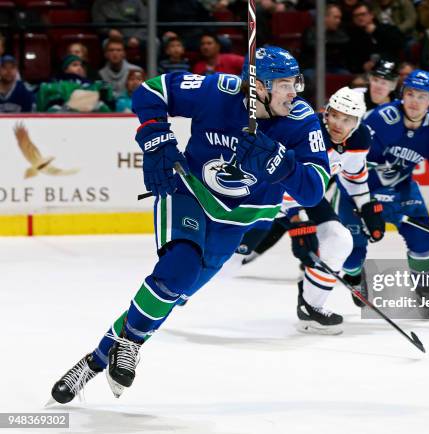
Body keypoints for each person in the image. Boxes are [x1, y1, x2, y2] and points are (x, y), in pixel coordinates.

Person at [50, 46, 330, 403]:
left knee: (168, 295)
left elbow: (314, 190)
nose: (295, 92)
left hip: (236, 222)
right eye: (285, 84)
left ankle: (93, 361)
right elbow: (151, 91)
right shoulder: (218, 91)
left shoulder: (301, 121)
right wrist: (157, 143)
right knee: (177, 271)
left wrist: (282, 164)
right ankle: (131, 344)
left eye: (296, 83)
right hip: (188, 192)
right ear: (258, 86)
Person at [231, 87, 386, 333]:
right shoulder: (306, 130)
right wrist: (296, 218)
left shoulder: (359, 138)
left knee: (339, 239)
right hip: (264, 196)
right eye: (334, 115)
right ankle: (178, 287)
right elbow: (278, 176)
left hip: (306, 196)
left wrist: (366, 206)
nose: (338, 123)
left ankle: (311, 308)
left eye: (347, 119)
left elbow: (353, 176)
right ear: (326, 112)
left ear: (357, 122)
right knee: (230, 258)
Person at [337, 70, 429, 295]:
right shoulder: (381, 119)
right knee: (351, 257)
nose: (415, 101)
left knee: (422, 241)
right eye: (411, 94)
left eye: (422, 96)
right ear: (402, 94)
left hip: (401, 189)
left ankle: (426, 291)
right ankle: (354, 276)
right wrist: (374, 200)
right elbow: (355, 165)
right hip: (358, 191)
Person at [37, 55, 115, 112]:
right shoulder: (57, 85)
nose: (79, 68)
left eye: (81, 65)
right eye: (75, 65)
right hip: (65, 116)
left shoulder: (93, 84)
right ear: (65, 70)